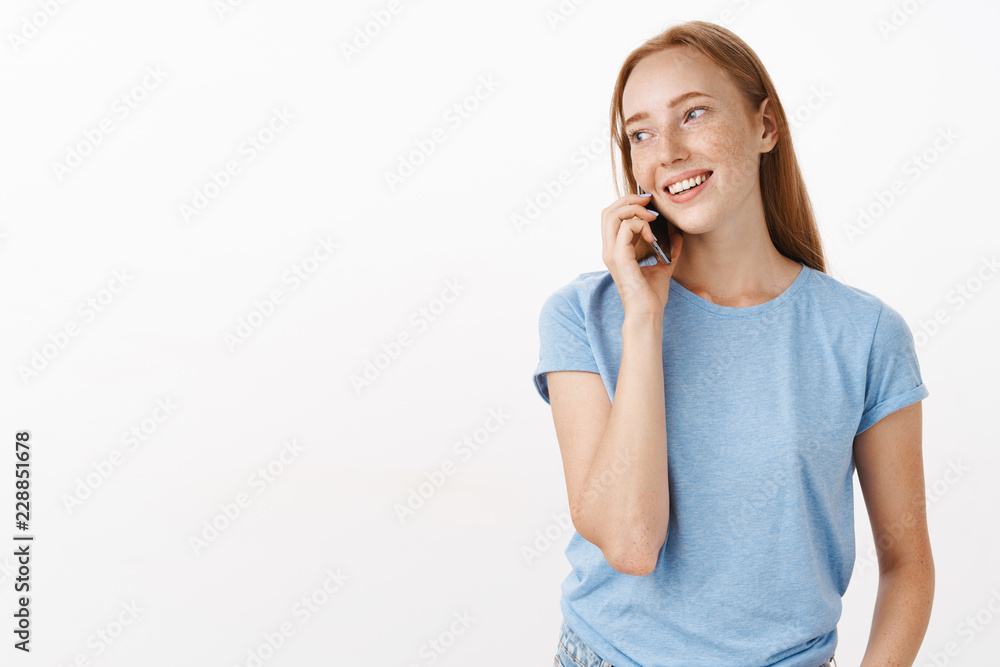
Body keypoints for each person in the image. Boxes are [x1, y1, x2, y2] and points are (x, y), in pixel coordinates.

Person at [533, 20, 934, 667]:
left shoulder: (864, 335)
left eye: (693, 114)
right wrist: (644, 317)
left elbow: (907, 564)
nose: (667, 151)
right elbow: (632, 543)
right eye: (640, 133)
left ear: (765, 126)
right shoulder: (585, 315)